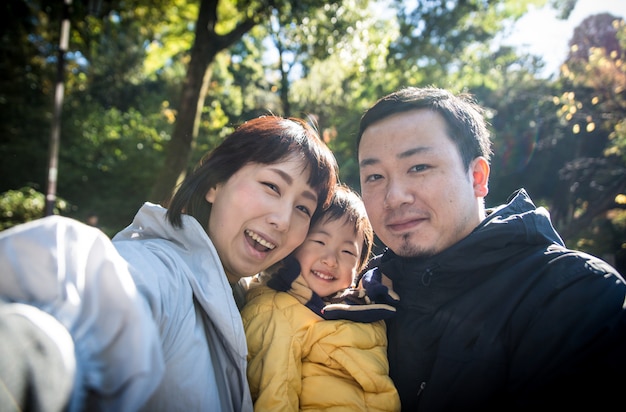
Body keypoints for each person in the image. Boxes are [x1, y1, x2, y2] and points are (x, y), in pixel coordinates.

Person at [0, 115, 338, 412]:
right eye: (271, 186)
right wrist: (31, 356)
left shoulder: (256, 303)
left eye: (303, 209)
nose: (282, 220)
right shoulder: (161, 269)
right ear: (215, 184)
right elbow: (100, 296)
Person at [355, 86, 626, 411]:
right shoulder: (362, 295)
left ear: (477, 177)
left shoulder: (576, 295)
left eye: (418, 167)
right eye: (374, 176)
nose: (394, 196)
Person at [241, 183, 401, 412]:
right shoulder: (277, 310)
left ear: (359, 267)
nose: (331, 259)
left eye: (347, 252)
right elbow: (276, 391)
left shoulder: (362, 306)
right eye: (319, 242)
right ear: (294, 245)